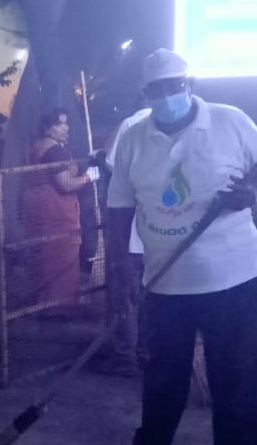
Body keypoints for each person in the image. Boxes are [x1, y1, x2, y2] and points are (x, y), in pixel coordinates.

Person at [106, 48, 257, 445]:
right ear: (145, 94)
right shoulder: (133, 137)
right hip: (164, 282)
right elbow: (118, 206)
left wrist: (251, 193)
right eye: (155, 90)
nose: (165, 96)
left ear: (191, 84)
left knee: (236, 379)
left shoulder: (230, 121)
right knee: (162, 377)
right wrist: (121, 268)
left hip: (232, 280)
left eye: (173, 86)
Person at [91, 105, 153, 377]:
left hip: (129, 235)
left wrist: (98, 158)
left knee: (125, 297)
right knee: (149, 297)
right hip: (159, 236)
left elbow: (111, 165)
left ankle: (125, 358)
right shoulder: (178, 130)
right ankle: (145, 352)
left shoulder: (131, 124)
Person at [24, 108, 99, 307]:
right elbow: (65, 184)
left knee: (44, 256)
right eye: (59, 124)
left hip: (37, 210)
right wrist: (88, 177)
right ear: (47, 128)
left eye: (66, 123)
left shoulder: (37, 146)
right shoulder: (56, 151)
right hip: (56, 211)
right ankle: (59, 306)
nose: (65, 128)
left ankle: (43, 302)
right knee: (62, 257)